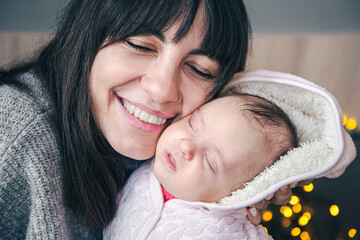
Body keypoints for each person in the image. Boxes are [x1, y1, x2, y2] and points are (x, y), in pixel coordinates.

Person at [0, 0, 292, 239]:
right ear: (89, 31)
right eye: (140, 45)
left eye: (200, 70)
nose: (162, 89)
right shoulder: (13, 135)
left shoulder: (176, 152)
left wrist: (236, 191)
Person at [104, 93, 298, 239]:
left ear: (241, 194)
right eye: (192, 125)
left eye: (209, 161)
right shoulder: (141, 157)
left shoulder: (224, 232)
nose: (186, 145)